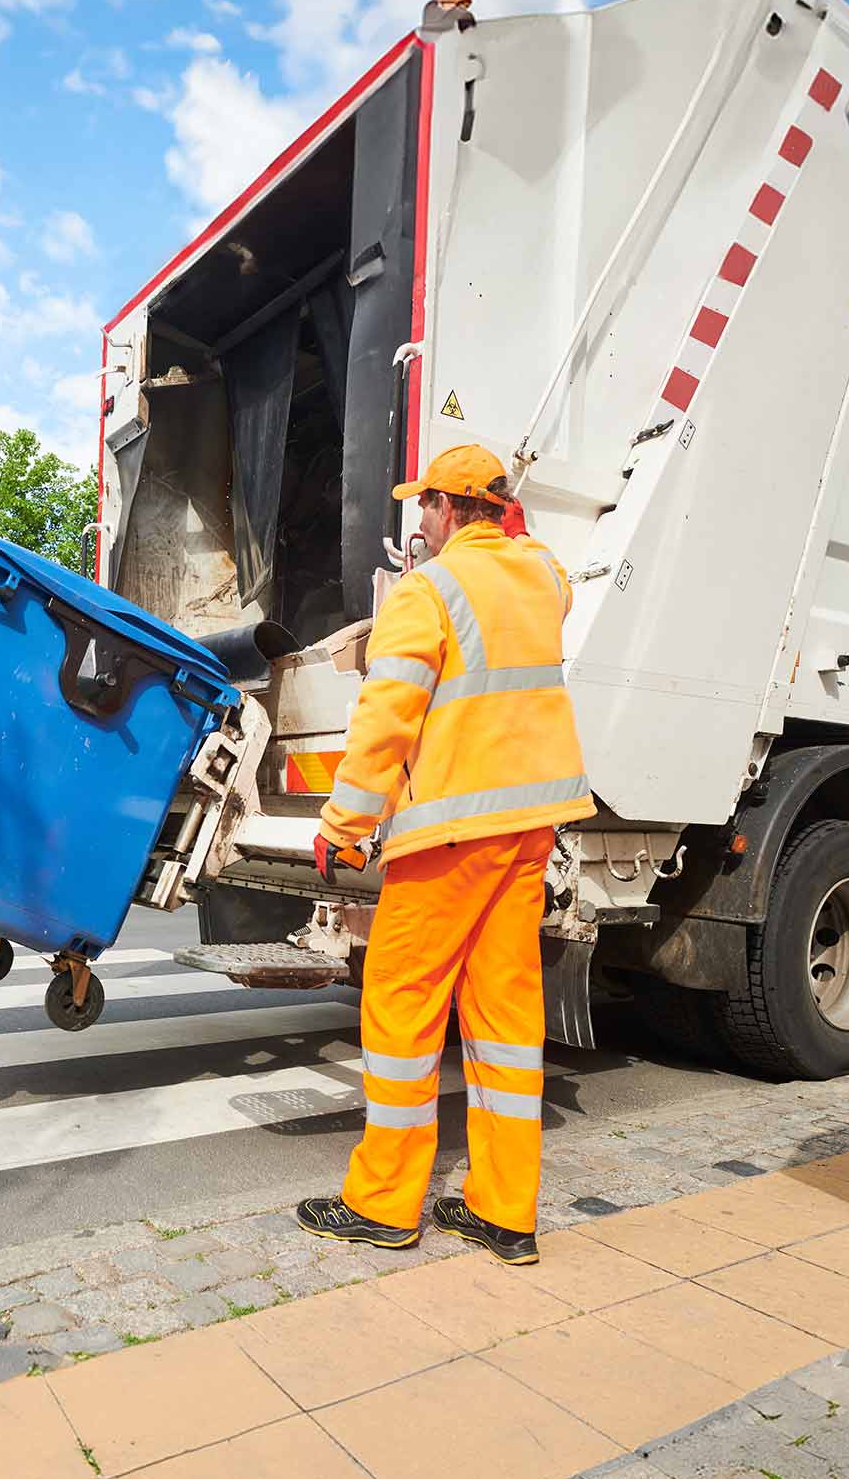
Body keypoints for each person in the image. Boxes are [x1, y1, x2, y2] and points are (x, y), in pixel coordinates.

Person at [293, 444, 595, 1267]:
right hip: (528, 830)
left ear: (451, 507)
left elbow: (386, 721)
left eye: (424, 505)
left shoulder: (427, 592)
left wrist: (345, 825)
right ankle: (503, 1212)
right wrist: (514, 529)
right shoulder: (541, 576)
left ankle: (384, 1204)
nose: (416, 521)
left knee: (401, 1008)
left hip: (451, 833)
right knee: (504, 1018)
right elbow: (556, 581)